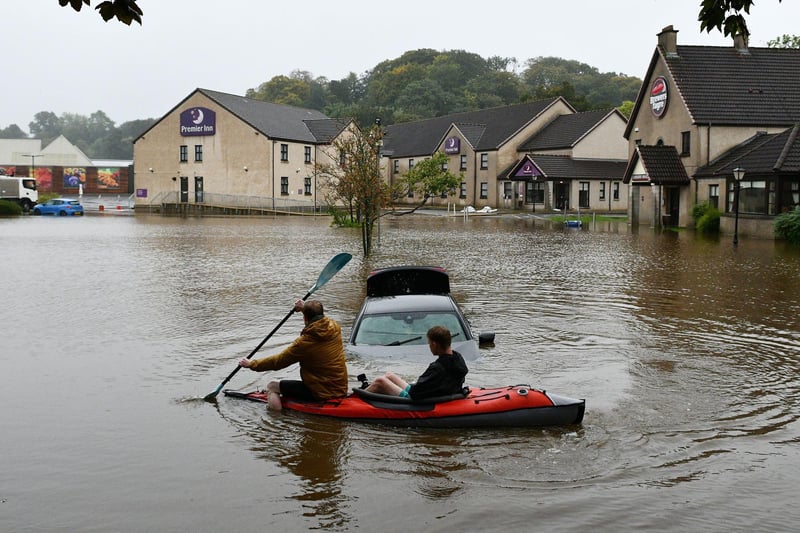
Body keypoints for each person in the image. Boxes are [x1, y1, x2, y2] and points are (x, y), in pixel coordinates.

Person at [239, 299, 347, 411]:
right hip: (340, 387)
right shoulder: (335, 327)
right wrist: (304, 308)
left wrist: (251, 364)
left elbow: (278, 362)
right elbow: (319, 316)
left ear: (305, 318)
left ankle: (277, 421)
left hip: (321, 392)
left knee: (272, 386)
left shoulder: (304, 343)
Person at [365, 325, 468, 401]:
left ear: (434, 344)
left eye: (429, 343)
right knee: (389, 375)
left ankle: (357, 399)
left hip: (415, 399)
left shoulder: (438, 367)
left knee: (380, 381)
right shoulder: (458, 358)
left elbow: (416, 394)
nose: (429, 347)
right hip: (434, 393)